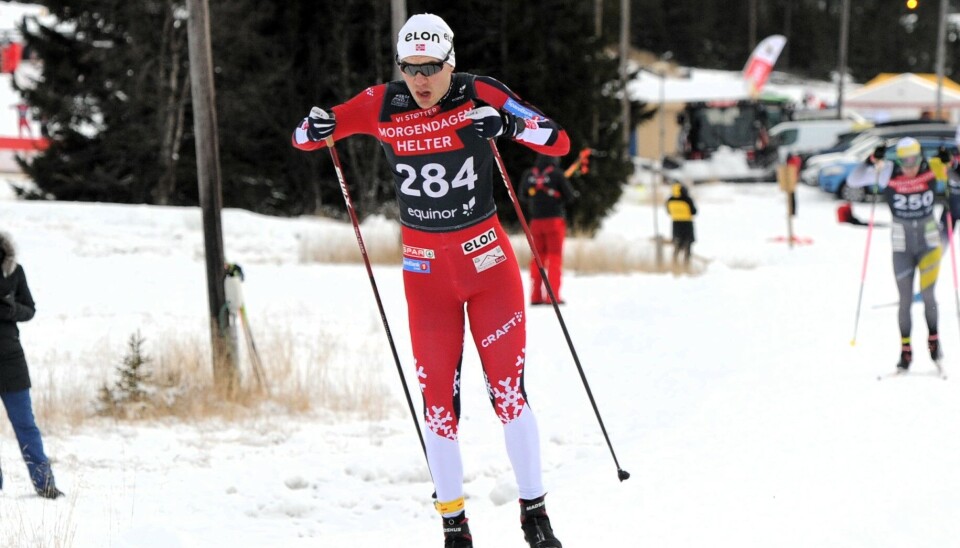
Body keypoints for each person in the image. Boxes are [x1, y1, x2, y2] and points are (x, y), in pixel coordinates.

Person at [292, 13, 568, 548]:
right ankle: (454, 525)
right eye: (410, 68)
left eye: (432, 68)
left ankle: (535, 515)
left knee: (508, 393)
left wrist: (507, 126)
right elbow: (306, 136)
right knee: (438, 404)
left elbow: (557, 140)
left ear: (450, 63)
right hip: (426, 275)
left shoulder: (479, 92)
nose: (420, 79)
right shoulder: (381, 102)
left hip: (488, 266)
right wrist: (317, 126)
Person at [847, 138, 951, 371]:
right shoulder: (888, 172)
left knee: (928, 294)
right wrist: (871, 160)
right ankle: (905, 351)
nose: (909, 166)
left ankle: (934, 343)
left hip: (929, 242)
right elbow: (854, 180)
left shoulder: (932, 167)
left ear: (920, 157)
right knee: (904, 299)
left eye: (913, 160)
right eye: (904, 161)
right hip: (901, 244)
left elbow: (954, 177)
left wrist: (950, 162)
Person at [0, 231, 63, 499]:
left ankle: (45, 484)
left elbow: (30, 309)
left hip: (11, 360)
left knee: (26, 424)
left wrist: (11, 309)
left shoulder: (14, 271)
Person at [519, 154, 578, 305]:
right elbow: (570, 196)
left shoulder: (529, 174)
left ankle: (535, 296)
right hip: (554, 222)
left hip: (536, 222)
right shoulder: (557, 174)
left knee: (537, 259)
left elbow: (523, 196)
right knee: (554, 258)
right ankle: (552, 297)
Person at [665, 181, 697, 269]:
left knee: (677, 245)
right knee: (688, 245)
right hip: (687, 224)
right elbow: (694, 211)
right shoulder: (687, 199)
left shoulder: (670, 200)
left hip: (676, 224)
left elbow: (668, 211)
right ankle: (686, 264)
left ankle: (674, 264)